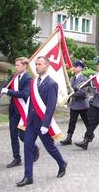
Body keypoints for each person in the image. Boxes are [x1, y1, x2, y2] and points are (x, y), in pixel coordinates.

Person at [16, 56, 67, 187]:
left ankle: (62, 163)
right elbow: (30, 103)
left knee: (50, 147)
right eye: (36, 64)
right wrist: (26, 119)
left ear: (47, 66)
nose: (37, 66)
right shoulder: (33, 82)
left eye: (40, 64)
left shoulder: (52, 84)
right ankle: (28, 177)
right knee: (27, 147)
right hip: (32, 122)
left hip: (43, 123)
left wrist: (45, 124)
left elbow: (51, 107)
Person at [0, 57, 39, 168]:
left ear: (24, 66)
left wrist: (8, 91)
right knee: (13, 136)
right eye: (15, 65)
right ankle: (16, 158)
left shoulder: (28, 79)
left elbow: (24, 94)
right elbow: (4, 87)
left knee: (22, 136)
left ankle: (34, 148)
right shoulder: (13, 77)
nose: (16, 67)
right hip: (13, 111)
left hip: (23, 111)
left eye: (18, 65)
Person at [60, 60, 90, 145]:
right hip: (74, 104)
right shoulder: (72, 78)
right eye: (74, 66)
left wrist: (72, 94)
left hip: (82, 104)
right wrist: (69, 92)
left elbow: (83, 93)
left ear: (80, 68)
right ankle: (69, 138)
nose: (74, 67)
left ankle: (90, 134)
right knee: (72, 122)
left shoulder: (84, 79)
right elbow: (69, 89)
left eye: (76, 66)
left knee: (86, 122)